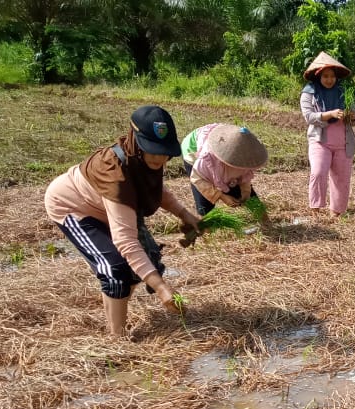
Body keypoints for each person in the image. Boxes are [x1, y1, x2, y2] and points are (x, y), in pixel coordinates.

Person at [44, 105, 200, 337]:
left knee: (147, 262)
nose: (160, 157)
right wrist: (161, 287)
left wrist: (184, 214)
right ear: (136, 141)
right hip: (72, 207)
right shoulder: (115, 174)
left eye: (163, 151)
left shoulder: (143, 160)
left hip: (108, 206)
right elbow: (125, 241)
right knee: (115, 269)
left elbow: (156, 190)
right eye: (153, 150)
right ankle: (117, 338)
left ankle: (117, 302)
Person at [301, 51, 355, 217]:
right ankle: (316, 211)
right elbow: (309, 117)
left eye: (332, 76)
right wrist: (330, 114)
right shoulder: (309, 92)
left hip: (343, 143)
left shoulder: (343, 92)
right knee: (318, 172)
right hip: (320, 142)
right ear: (318, 76)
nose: (329, 79)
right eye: (325, 76)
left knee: (342, 179)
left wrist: (352, 117)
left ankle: (337, 214)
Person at [180, 123, 268, 216]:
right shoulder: (208, 158)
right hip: (192, 148)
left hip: (221, 135)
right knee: (205, 204)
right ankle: (206, 226)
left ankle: (264, 220)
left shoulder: (247, 156)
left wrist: (246, 193)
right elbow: (197, 179)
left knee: (237, 189)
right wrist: (222, 196)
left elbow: (244, 176)